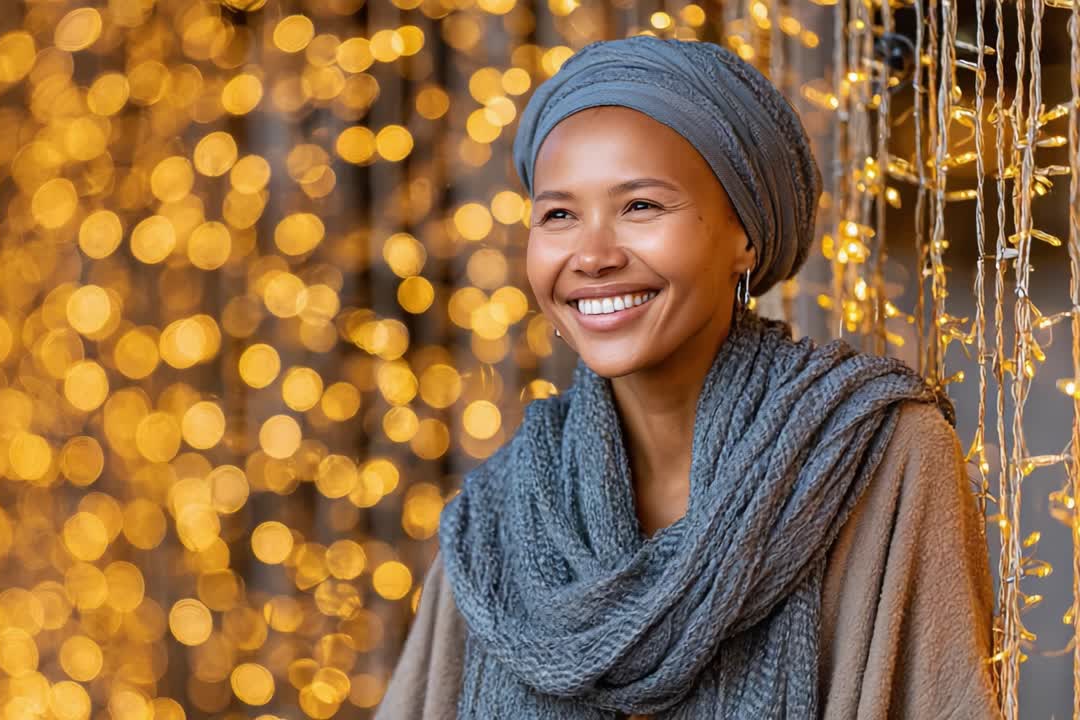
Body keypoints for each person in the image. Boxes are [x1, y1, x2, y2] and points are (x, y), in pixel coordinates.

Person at [375, 35, 1001, 720]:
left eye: (640, 206)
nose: (592, 255)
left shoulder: (878, 456)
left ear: (745, 238)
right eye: (559, 214)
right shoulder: (502, 514)